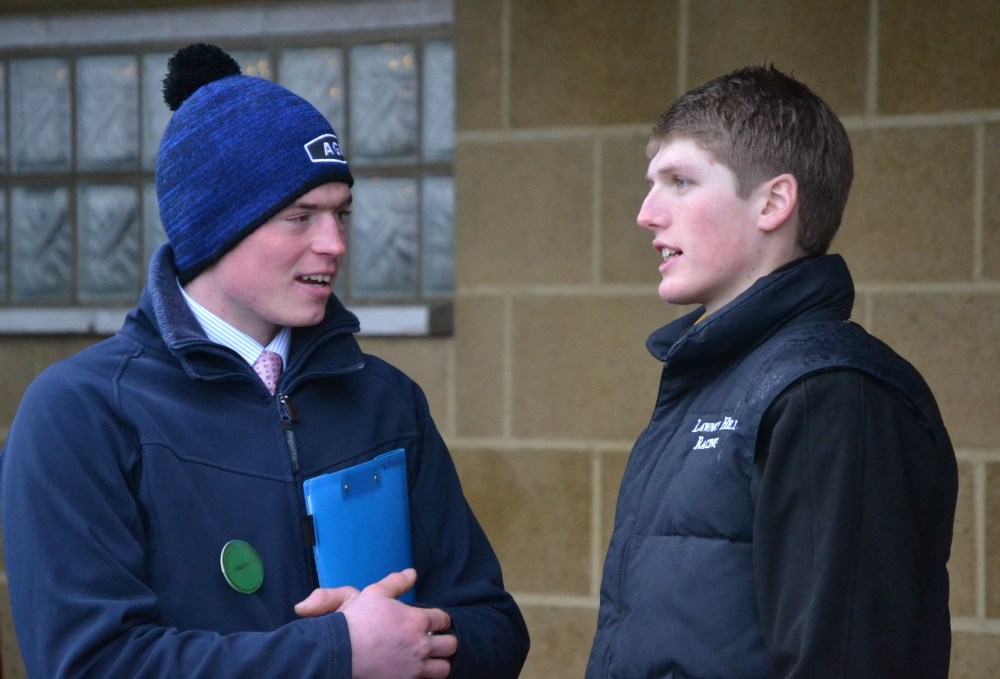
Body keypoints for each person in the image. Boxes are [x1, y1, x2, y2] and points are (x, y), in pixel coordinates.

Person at [0, 43, 528, 679]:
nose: (334, 243)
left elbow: (495, 625)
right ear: (213, 230)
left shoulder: (386, 399)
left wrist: (419, 645)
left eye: (340, 213)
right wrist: (339, 655)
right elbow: (90, 664)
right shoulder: (78, 414)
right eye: (299, 216)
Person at [586, 64, 958, 678]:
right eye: (653, 184)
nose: (647, 213)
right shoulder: (714, 379)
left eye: (680, 182)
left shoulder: (830, 391)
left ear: (774, 202)